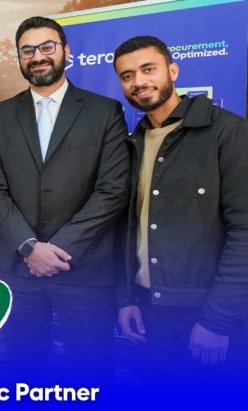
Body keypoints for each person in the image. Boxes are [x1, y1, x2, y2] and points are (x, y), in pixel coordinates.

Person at [0, 17, 130, 382]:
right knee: (22, 373)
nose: (38, 57)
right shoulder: (0, 115)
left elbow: (112, 190)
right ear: (19, 57)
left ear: (66, 50)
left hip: (84, 268)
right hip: (19, 269)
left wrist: (58, 249)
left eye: (47, 47)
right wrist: (30, 247)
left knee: (91, 376)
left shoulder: (104, 111)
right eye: (27, 50)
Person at [112, 36, 248, 382]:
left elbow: (244, 232)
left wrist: (217, 319)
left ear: (173, 71)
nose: (139, 81)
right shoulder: (132, 143)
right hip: (149, 309)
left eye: (148, 69)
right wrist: (127, 298)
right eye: (127, 76)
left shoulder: (228, 132)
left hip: (206, 314)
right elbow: (129, 228)